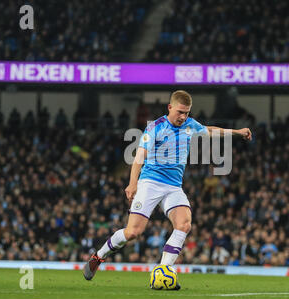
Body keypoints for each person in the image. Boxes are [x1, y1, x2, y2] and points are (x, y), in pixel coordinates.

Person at [83, 90, 252, 288]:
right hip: (150, 183)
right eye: (180, 112)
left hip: (173, 187)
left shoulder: (190, 124)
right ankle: (99, 256)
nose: (184, 117)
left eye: (187, 113)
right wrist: (132, 182)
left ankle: (163, 273)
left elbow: (210, 130)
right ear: (170, 107)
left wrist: (237, 133)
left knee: (184, 224)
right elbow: (139, 156)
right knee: (133, 232)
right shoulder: (155, 127)